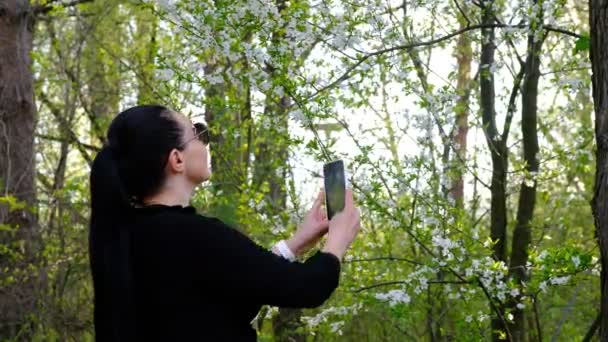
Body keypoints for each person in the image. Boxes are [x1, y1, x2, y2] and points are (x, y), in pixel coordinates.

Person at [88, 105, 361, 341]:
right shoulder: (194, 235)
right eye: (197, 134)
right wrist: (337, 241)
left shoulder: (127, 235)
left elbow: (229, 298)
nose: (205, 143)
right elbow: (306, 287)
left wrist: (295, 244)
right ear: (177, 159)